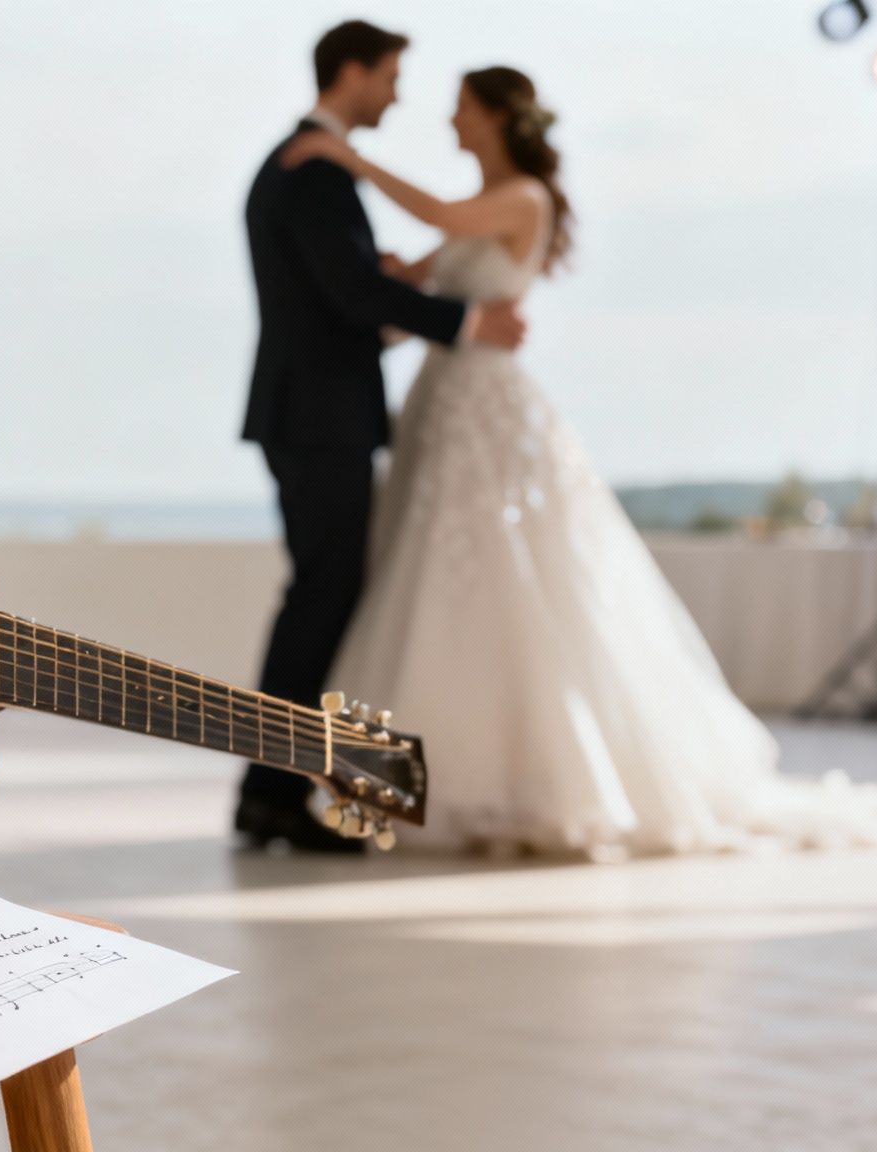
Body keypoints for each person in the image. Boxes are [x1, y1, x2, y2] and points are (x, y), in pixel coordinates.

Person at [293, 66, 877, 857]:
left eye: (461, 109)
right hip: (439, 406)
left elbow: (442, 213)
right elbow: (412, 297)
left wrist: (347, 159)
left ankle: (524, 783)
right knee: (431, 575)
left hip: (491, 409)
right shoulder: (473, 218)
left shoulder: (522, 199)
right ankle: (414, 777)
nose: (449, 120)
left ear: (493, 118)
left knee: (512, 574)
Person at [237, 21, 526, 853]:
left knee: (321, 600)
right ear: (353, 73)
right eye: (392, 76)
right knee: (319, 603)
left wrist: (403, 292)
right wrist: (467, 320)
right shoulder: (315, 169)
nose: (399, 94)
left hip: (310, 412)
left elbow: (350, 295)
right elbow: (355, 296)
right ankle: (270, 794)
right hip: (318, 416)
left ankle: (270, 792)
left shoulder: (304, 164)